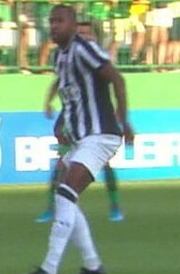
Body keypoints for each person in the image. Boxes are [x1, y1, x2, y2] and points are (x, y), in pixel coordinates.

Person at [19, 4, 134, 274]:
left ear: (72, 24)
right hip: (82, 137)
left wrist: (123, 117)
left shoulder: (85, 49)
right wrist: (62, 124)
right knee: (65, 195)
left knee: (66, 194)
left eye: (59, 21)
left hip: (101, 134)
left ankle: (49, 269)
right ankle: (92, 265)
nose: (54, 26)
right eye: (51, 21)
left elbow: (116, 77)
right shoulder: (60, 56)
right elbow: (72, 97)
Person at [35, 69, 125, 224]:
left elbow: (113, 81)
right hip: (69, 121)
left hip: (92, 124)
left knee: (105, 164)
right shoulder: (68, 70)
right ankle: (51, 208)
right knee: (61, 165)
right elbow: (56, 83)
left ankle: (115, 206)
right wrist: (48, 103)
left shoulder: (91, 74)